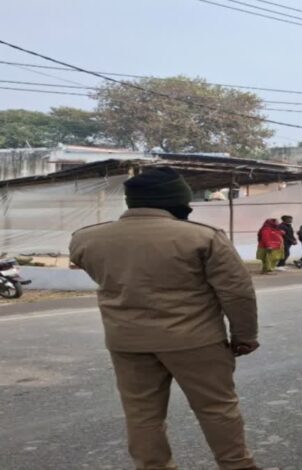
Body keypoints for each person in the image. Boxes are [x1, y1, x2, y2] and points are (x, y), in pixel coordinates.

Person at [69, 167, 266, 470]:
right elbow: (237, 293)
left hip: (128, 342)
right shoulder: (202, 237)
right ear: (178, 200)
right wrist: (244, 336)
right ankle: (237, 466)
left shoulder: (86, 239)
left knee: (142, 413)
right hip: (196, 341)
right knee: (216, 408)